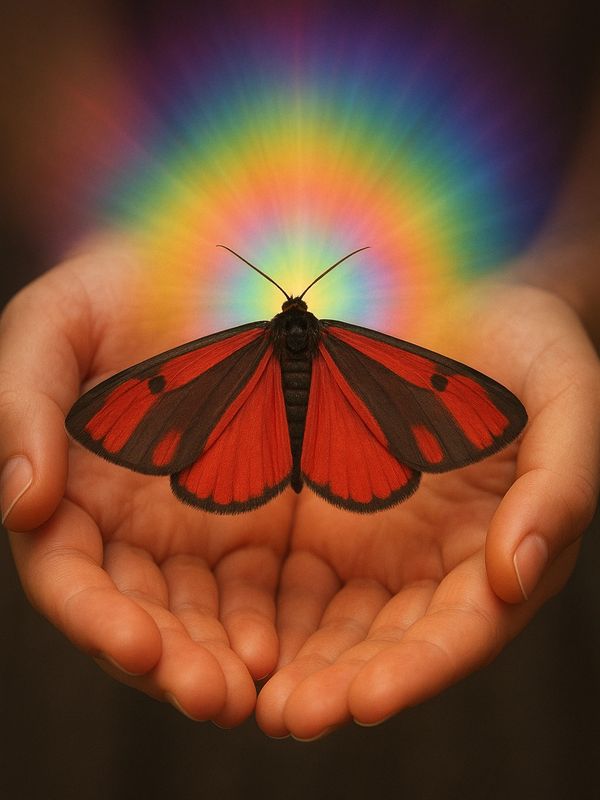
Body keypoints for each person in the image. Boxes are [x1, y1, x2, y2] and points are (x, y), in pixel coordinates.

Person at [1, 5, 599, 743]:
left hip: (463, 557)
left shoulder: (250, 339)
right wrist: (95, 214)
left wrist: (569, 277)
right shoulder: (343, 341)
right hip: (156, 545)